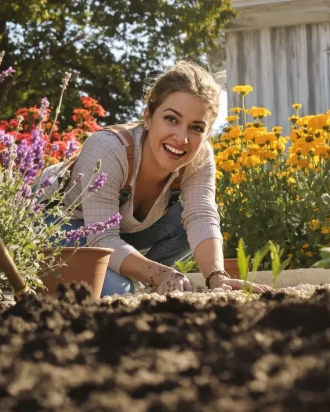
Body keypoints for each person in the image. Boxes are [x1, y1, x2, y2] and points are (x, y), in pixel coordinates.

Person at [52, 60, 270, 297]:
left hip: (114, 235)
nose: (181, 138)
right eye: (171, 119)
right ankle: (138, 278)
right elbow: (101, 236)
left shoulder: (200, 156)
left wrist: (218, 277)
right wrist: (162, 274)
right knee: (117, 290)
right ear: (148, 117)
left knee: (185, 225)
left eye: (196, 128)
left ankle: (142, 277)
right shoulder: (108, 148)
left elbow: (201, 215)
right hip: (58, 224)